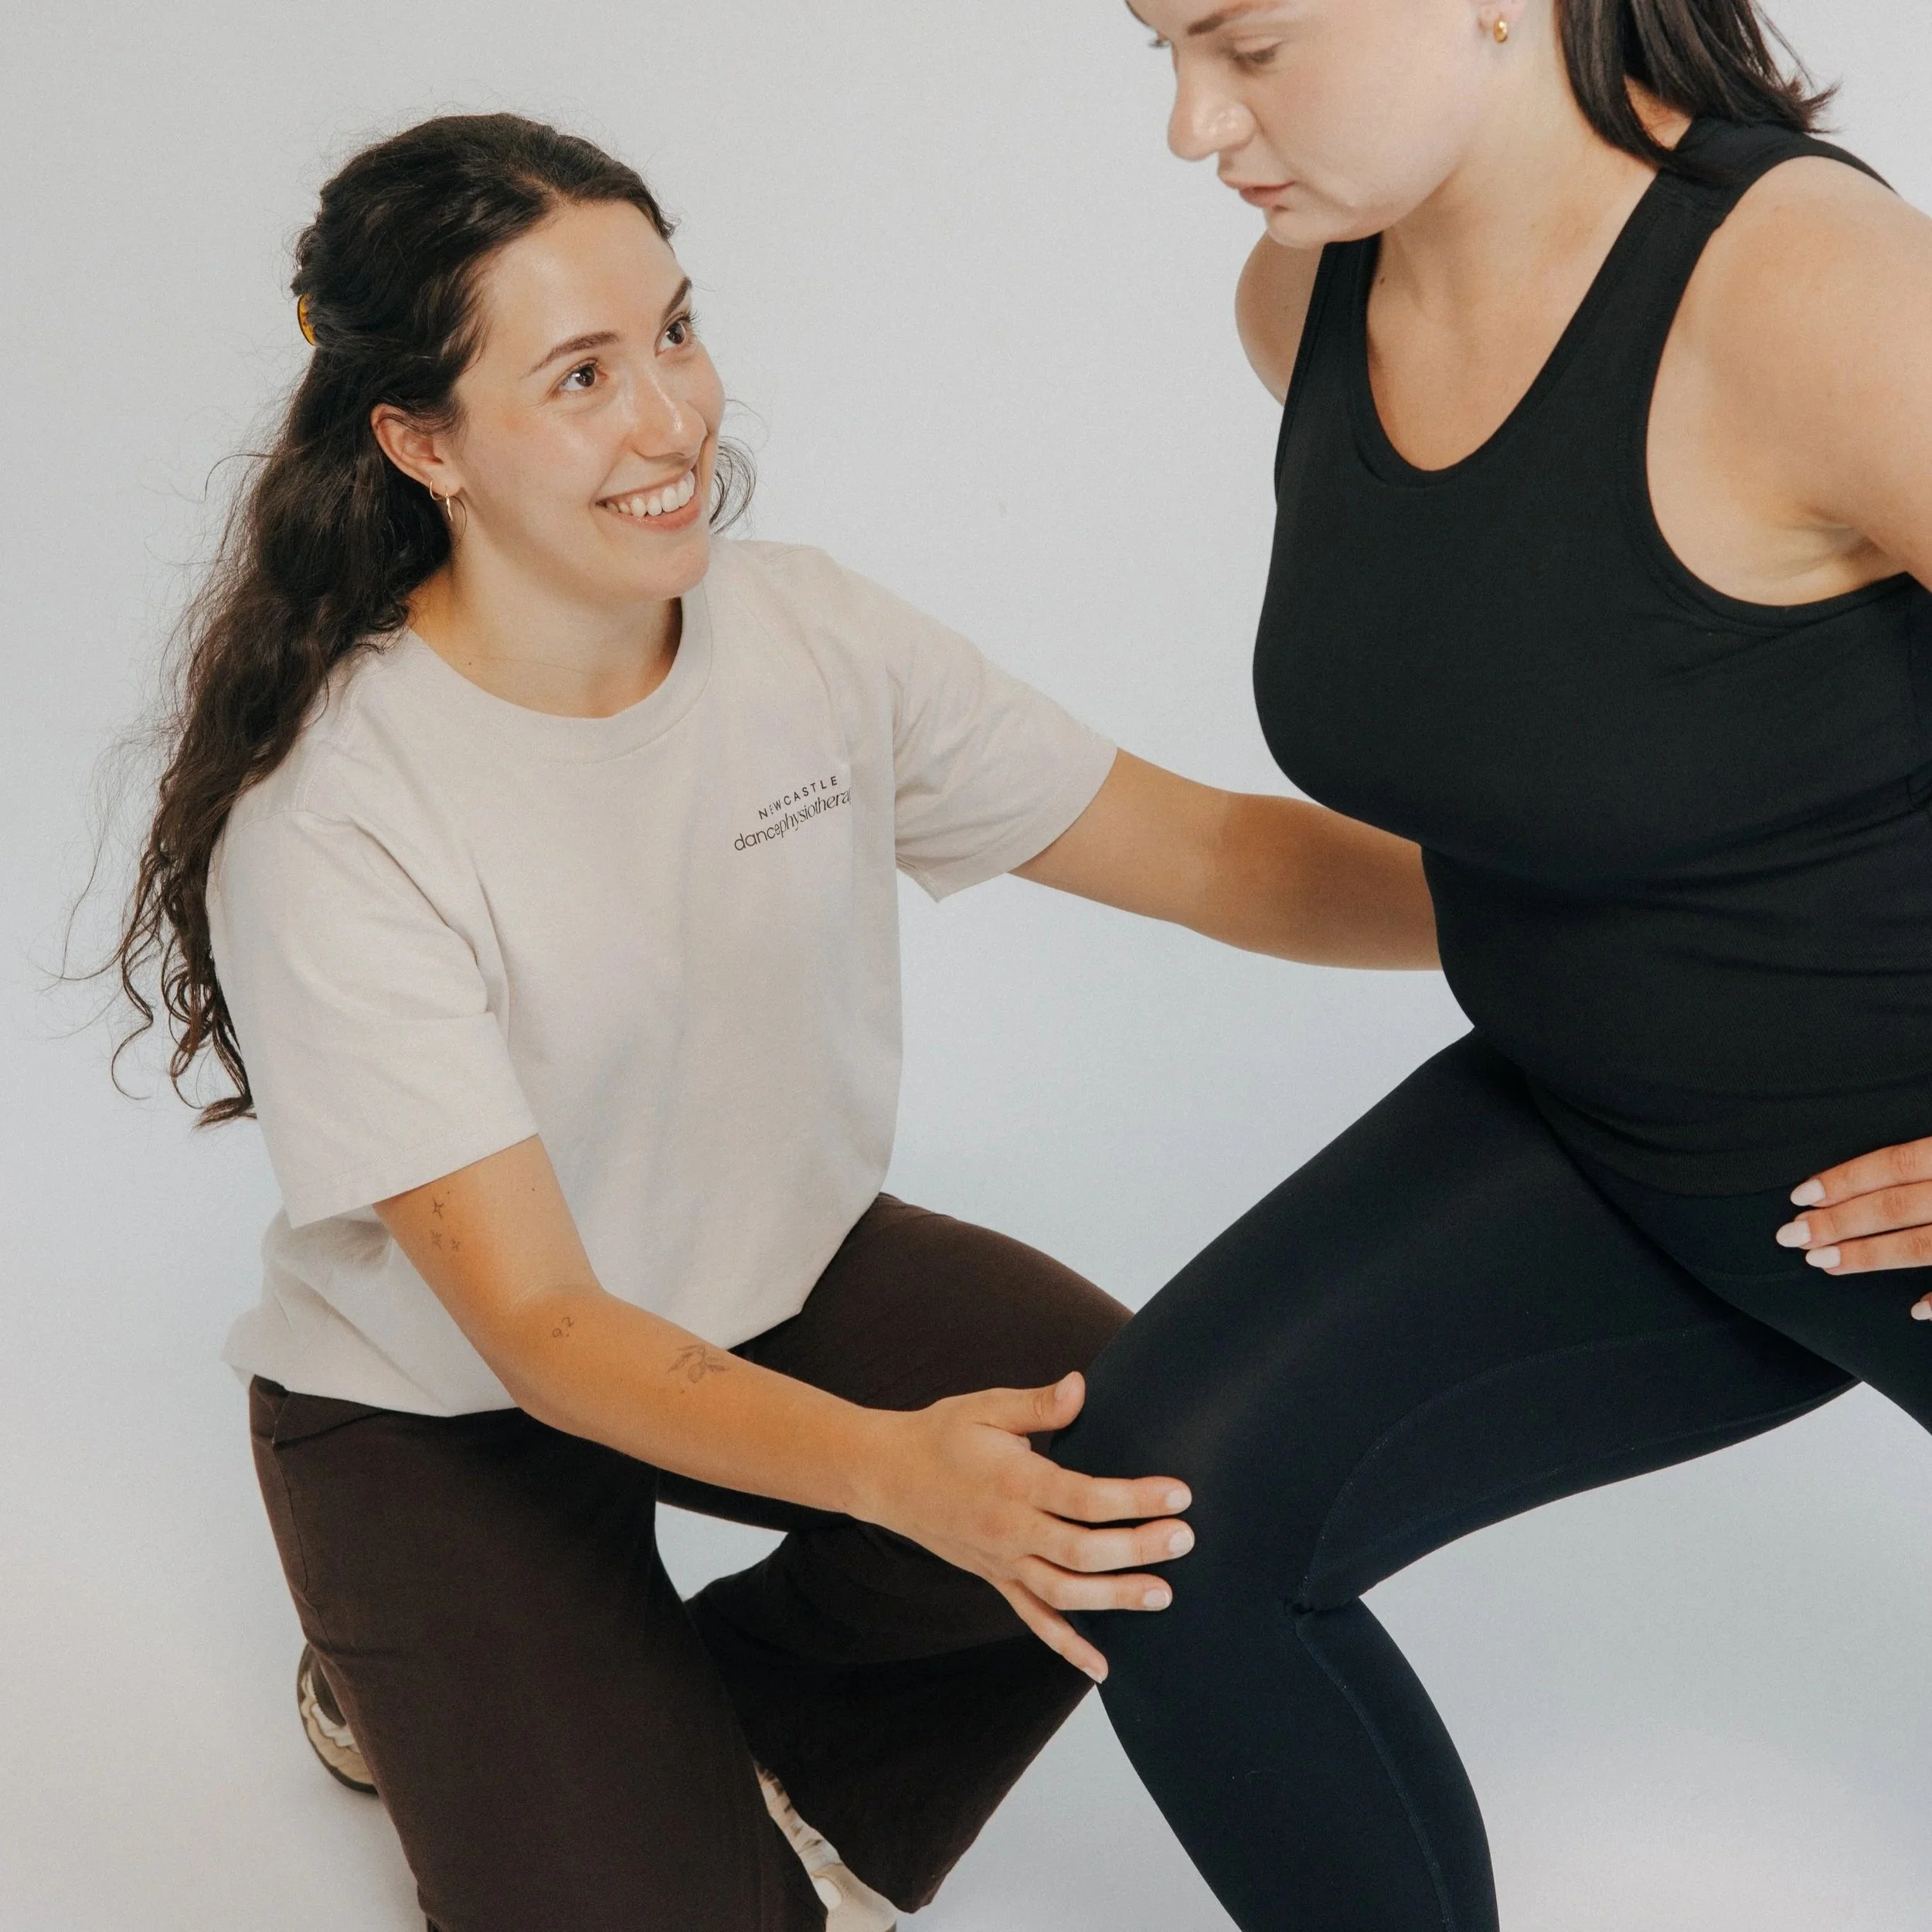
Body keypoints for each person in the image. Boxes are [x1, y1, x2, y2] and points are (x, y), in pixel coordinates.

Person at [109, 114, 1439, 1932]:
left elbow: (1213, 853)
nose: (669, 418)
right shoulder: (338, 813)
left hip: (771, 1279)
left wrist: (1585, 916)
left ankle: (707, 1730)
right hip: (454, 1403)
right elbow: (546, 1327)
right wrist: (902, 1477)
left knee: (1148, 1469)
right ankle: (423, 1685)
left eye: (673, 330)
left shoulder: (808, 635)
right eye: (580, 375)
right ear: (423, 441)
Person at [1049, 2, 1932, 1927]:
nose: (1192, 122)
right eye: (1157, 47)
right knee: (1153, 1519)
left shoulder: (1806, 285)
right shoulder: (1306, 299)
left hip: (1890, 1169)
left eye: (1246, 45)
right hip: (1602, 1137)